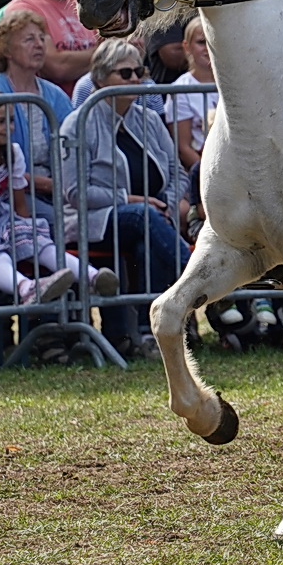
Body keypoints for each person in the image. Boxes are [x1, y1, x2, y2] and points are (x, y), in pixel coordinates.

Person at [62, 39, 189, 358]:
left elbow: (178, 173)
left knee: (148, 231)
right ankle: (194, 277)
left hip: (149, 219)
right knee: (143, 216)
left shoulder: (147, 119)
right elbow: (75, 192)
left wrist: (169, 206)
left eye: (139, 72)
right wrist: (132, 199)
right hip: (93, 220)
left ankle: (146, 336)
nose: (135, 79)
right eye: (125, 73)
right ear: (100, 79)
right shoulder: (78, 124)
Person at [0, 93, 116, 310]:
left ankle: (92, 276)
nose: (9, 127)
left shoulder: (12, 154)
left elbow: (19, 204)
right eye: (0, 122)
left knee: (41, 244)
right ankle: (26, 288)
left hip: (3, 214)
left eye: (12, 120)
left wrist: (25, 234)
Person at [0, 8, 75, 222]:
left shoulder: (54, 94)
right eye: (29, 39)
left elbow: (73, 145)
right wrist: (47, 184)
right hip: (10, 194)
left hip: (59, 189)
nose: (40, 44)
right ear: (7, 50)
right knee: (60, 222)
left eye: (42, 38)